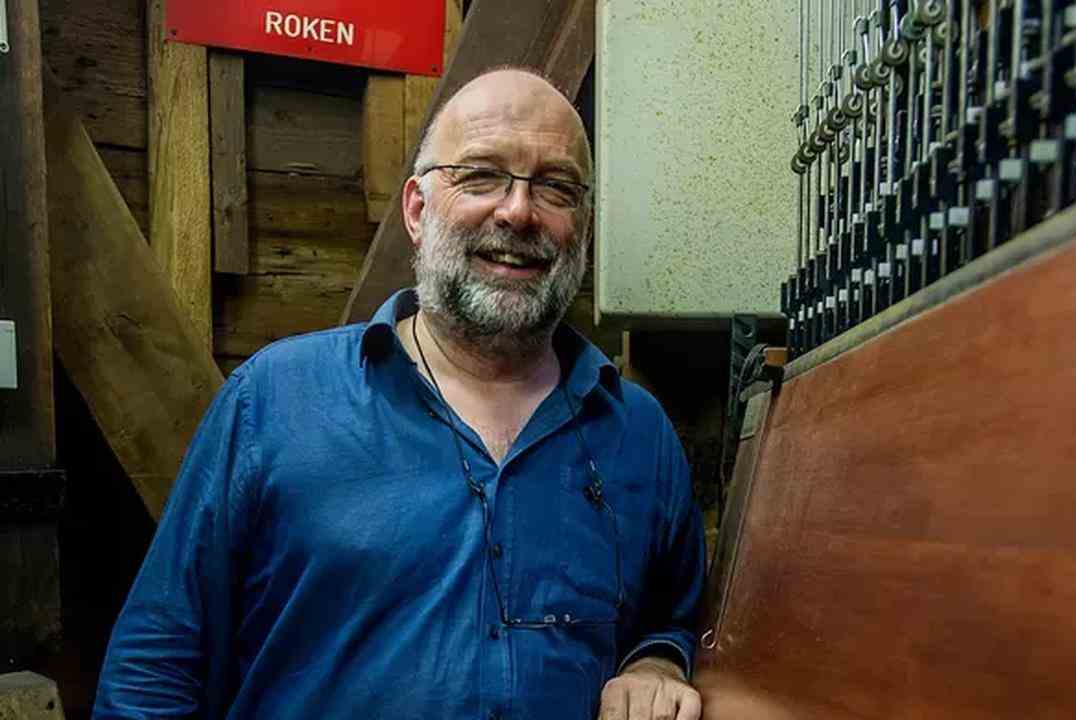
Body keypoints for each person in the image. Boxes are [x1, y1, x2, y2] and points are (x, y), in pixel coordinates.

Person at [93, 69, 706, 720]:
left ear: (581, 226)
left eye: (554, 186)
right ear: (417, 209)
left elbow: (678, 617)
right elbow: (150, 677)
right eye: (481, 175)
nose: (518, 211)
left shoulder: (639, 433)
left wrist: (659, 658)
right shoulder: (274, 401)